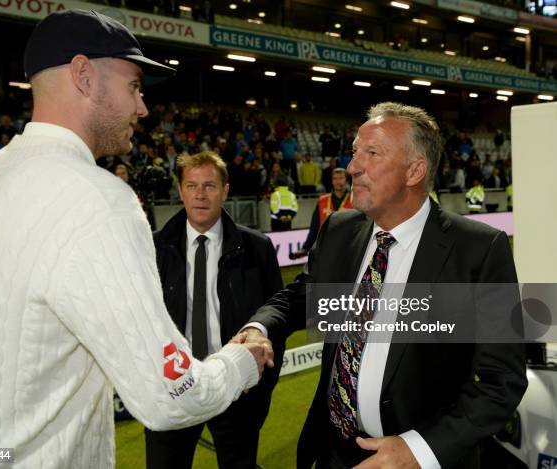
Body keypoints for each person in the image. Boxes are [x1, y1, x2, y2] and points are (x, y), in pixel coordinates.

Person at [0, 10, 271, 469]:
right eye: (134, 86)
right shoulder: (99, 200)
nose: (142, 107)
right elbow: (168, 395)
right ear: (83, 75)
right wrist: (240, 362)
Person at [236, 102, 527, 469]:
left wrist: (420, 450)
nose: (353, 166)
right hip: (333, 454)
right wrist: (259, 326)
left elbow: (502, 381)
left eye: (371, 154)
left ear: (414, 171)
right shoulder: (340, 229)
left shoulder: (479, 250)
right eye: (356, 152)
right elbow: (302, 298)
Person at [145, 151, 283, 469]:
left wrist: (259, 386)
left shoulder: (257, 248)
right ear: (180, 191)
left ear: (225, 190)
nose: (200, 194)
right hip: (173, 390)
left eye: (209, 185)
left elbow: (276, 319)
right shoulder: (152, 249)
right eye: (192, 185)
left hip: (235, 390)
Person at [290, 167, 353, 259]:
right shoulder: (322, 200)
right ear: (331, 181)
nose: (338, 181)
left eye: (341, 178)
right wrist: (305, 248)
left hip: (347, 248)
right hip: (326, 247)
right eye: (335, 178)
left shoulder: (354, 200)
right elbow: (314, 228)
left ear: (346, 180)